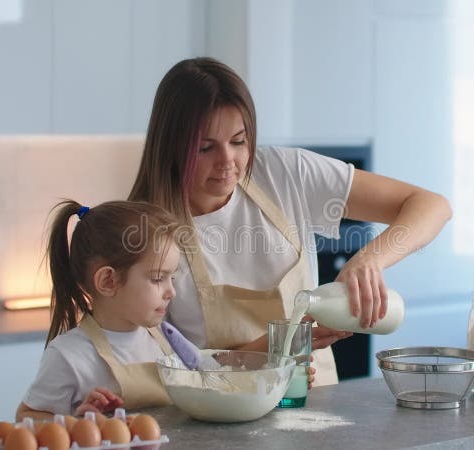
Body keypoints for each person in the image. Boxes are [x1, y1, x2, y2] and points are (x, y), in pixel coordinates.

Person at [128, 57, 452, 386]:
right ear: (171, 147)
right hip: (218, 425)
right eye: (205, 148)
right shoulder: (144, 232)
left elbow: (431, 205)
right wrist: (272, 352)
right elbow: (161, 372)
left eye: (239, 141)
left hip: (320, 409)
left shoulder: (283, 173)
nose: (227, 161)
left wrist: (369, 260)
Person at [15, 200, 184, 420]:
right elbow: (26, 417)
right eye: (157, 278)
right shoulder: (68, 356)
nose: (171, 291)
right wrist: (78, 422)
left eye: (172, 277)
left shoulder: (165, 343)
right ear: (108, 281)